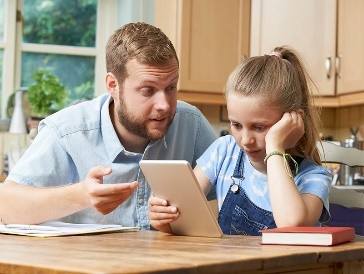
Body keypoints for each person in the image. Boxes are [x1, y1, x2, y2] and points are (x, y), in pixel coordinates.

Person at [0, 22, 217, 230]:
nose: (164, 105)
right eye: (148, 90)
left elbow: (232, 198)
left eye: (171, 87)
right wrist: (81, 195)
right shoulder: (67, 131)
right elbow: (7, 206)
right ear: (113, 85)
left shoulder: (192, 124)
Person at [148, 46, 332, 235]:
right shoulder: (224, 151)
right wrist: (164, 219)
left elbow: (291, 225)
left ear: (292, 121)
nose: (245, 140)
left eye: (259, 127)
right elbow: (182, 216)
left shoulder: (314, 177)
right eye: (236, 125)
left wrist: (275, 146)